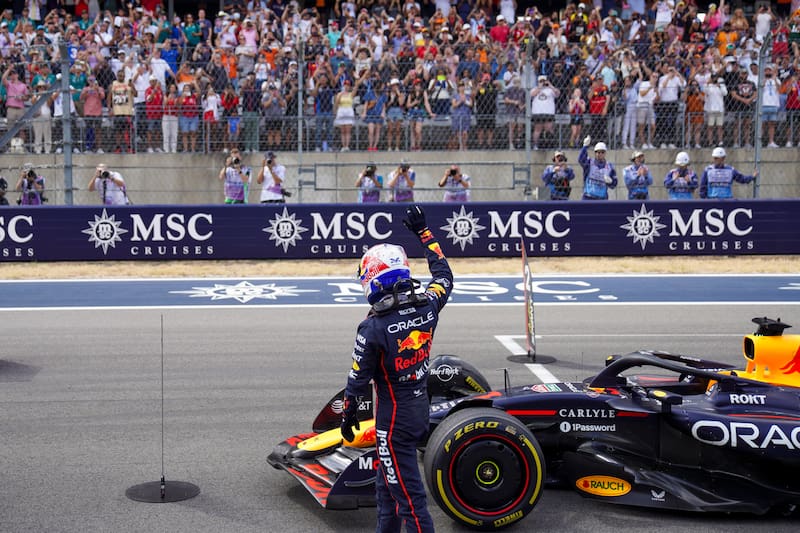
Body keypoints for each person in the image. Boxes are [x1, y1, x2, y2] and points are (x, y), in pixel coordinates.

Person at [340, 204, 452, 533]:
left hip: (393, 422)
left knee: (410, 502)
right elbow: (445, 276)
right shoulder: (429, 304)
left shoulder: (372, 328)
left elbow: (356, 384)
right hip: (418, 408)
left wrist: (349, 418)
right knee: (385, 490)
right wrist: (425, 233)